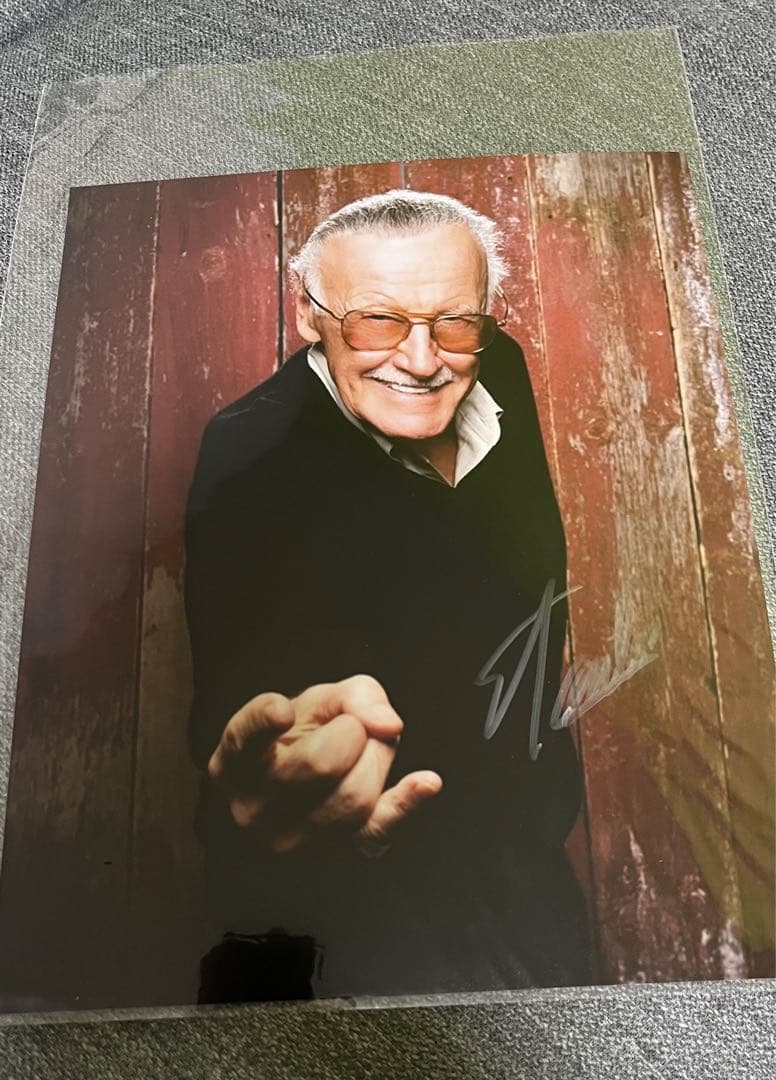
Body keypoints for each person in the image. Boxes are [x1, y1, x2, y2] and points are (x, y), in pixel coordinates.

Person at [184, 189, 591, 1003]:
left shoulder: (497, 364)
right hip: (351, 910)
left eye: (454, 322)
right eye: (377, 321)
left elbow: (522, 582)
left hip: (522, 858)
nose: (422, 359)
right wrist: (282, 762)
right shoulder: (246, 453)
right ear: (310, 315)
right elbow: (237, 697)